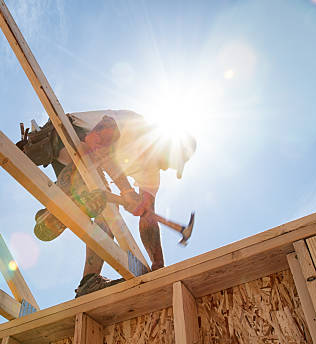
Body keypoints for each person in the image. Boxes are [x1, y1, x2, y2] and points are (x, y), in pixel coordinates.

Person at [16, 110, 196, 297]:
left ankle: (88, 281)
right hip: (66, 135)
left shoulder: (152, 172)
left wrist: (158, 266)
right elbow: (96, 142)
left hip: (77, 163)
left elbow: (148, 217)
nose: (166, 167)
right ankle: (61, 201)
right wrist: (126, 190)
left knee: (105, 209)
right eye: (169, 161)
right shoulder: (135, 125)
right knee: (99, 181)